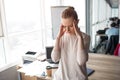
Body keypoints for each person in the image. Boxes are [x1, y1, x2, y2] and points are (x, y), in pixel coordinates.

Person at [51, 6, 90, 80]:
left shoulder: (85, 37)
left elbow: (81, 61)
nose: (67, 30)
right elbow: (55, 59)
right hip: (60, 77)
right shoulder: (61, 36)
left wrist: (79, 38)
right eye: (64, 26)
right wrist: (58, 38)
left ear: (77, 22)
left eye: (71, 26)